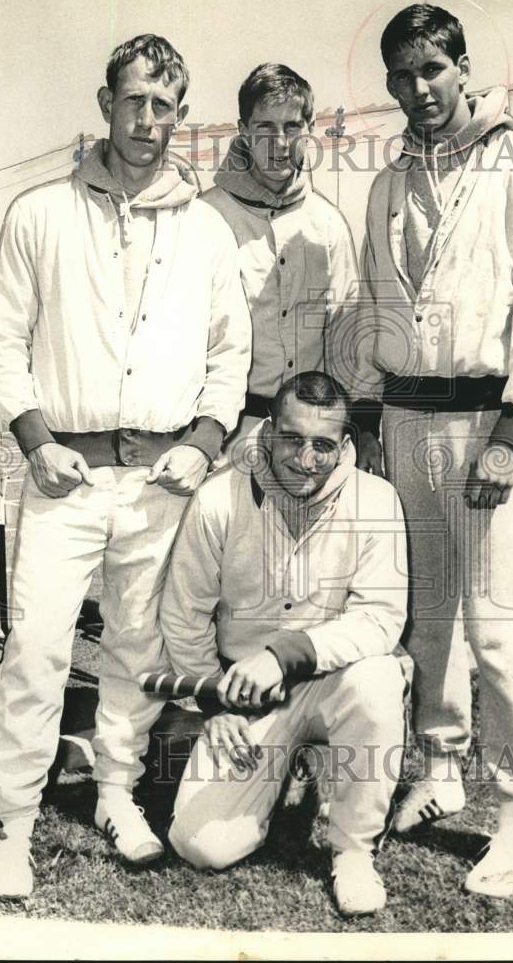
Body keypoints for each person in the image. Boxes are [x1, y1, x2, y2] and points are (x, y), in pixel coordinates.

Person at [0, 33, 251, 900]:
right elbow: (0, 340)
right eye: (132, 100)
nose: (146, 120)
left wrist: (202, 442)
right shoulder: (40, 212)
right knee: (38, 646)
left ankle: (114, 794)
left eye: (163, 105)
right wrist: (35, 438)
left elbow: (229, 355)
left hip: (161, 482)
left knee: (137, 644)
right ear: (105, 103)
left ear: (181, 115)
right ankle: (13, 823)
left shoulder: (206, 228)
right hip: (66, 475)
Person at [352, 4, 513, 898]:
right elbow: (372, 301)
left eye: (431, 71)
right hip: (402, 420)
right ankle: (439, 771)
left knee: (496, 623)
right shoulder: (386, 181)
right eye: (400, 77)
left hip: (482, 421)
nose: (416, 91)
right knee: (427, 616)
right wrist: (366, 416)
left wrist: (512, 430)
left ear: (463, 66)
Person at [159, 371, 411, 917]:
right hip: (245, 698)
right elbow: (184, 616)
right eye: (293, 439)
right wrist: (213, 703)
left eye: (323, 445)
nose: (306, 458)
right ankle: (282, 779)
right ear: (269, 431)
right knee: (201, 847)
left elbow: (381, 619)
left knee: (377, 680)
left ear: (344, 445)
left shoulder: (377, 498)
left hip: (333, 683)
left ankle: (353, 850)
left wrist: (284, 654)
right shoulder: (217, 498)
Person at [201, 64, 360, 452]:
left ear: (309, 129)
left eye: (291, 127)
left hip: (313, 436)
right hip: (230, 436)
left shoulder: (328, 223)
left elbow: (348, 337)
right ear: (242, 130)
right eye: (265, 127)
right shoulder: (205, 217)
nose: (279, 142)